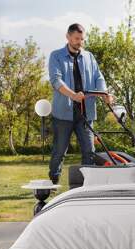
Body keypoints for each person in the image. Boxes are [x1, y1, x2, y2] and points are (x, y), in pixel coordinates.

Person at [48, 23, 113, 184]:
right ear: (68, 37)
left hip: (86, 113)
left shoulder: (89, 56)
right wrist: (72, 95)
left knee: (89, 150)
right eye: (77, 39)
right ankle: (54, 180)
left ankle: (87, 184)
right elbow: (56, 80)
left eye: (82, 39)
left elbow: (99, 77)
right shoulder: (56, 56)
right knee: (59, 151)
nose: (80, 42)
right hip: (64, 113)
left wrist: (104, 94)